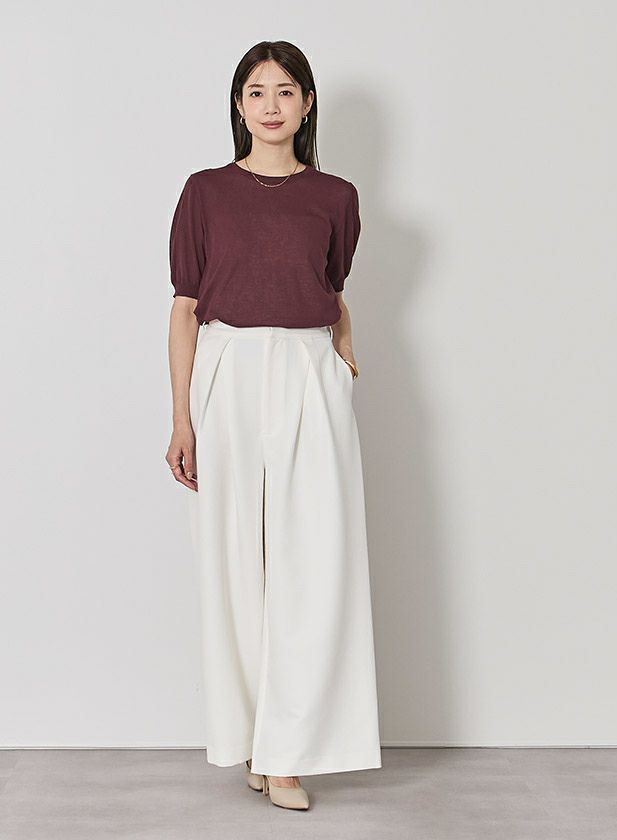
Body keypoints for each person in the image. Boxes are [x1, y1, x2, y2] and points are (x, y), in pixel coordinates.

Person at [165, 41, 382, 812]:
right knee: (234, 562)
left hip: (306, 371)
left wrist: (343, 355)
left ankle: (288, 754)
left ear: (307, 103)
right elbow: (185, 307)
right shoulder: (204, 192)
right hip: (227, 370)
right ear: (238, 104)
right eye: (256, 91)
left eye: (285, 91)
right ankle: (258, 742)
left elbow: (330, 285)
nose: (270, 105)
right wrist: (181, 416)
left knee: (312, 559)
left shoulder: (336, 196)